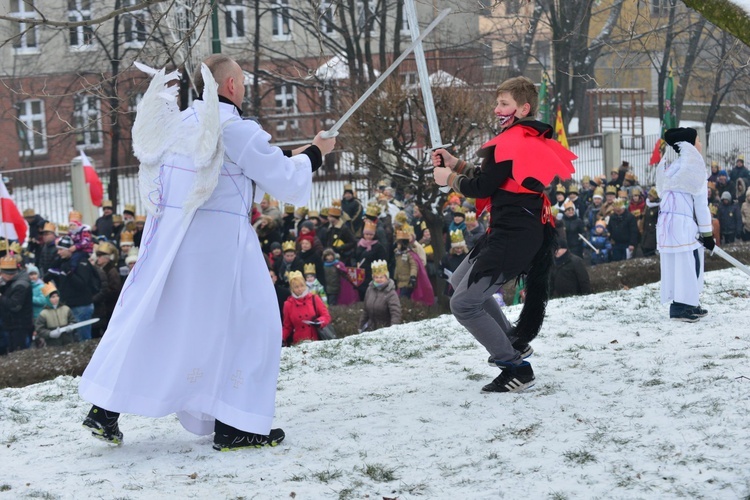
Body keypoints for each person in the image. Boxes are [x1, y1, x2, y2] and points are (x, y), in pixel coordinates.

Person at [78, 55, 336, 450]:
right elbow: (283, 180)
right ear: (230, 85)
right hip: (220, 250)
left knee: (157, 323)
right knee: (253, 325)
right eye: (242, 80)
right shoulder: (234, 127)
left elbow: (251, 169)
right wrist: (316, 153)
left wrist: (294, 155)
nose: (244, 86)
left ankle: (105, 408)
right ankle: (237, 424)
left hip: (170, 244)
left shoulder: (181, 123)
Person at [431, 76, 575, 393]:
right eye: (497, 103)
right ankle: (514, 342)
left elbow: (482, 186)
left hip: (515, 235)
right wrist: (456, 164)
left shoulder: (513, 140)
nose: (497, 109)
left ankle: (514, 366)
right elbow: (495, 178)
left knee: (463, 304)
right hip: (509, 229)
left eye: (504, 104)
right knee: (458, 285)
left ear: (523, 108)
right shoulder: (519, 137)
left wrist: (448, 178)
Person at [655, 127, 712, 322]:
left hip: (666, 224)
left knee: (677, 263)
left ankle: (685, 305)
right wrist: (707, 234)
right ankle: (684, 307)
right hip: (682, 224)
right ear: (690, 145)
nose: (701, 144)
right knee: (689, 263)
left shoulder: (674, 166)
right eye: (698, 140)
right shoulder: (695, 168)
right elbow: (701, 204)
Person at [44, 235, 101, 341]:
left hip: (82, 306)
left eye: (61, 249)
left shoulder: (81, 262)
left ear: (69, 249)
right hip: (70, 305)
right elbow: (51, 279)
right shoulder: (64, 262)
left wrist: (69, 273)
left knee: (83, 339)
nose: (58, 252)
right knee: (74, 339)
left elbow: (82, 284)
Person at [282, 271, 331, 346]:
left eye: (302, 286)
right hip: (299, 342)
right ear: (292, 289)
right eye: (296, 287)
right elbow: (287, 327)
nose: (300, 289)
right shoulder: (288, 304)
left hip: (315, 340)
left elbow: (326, 316)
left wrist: (319, 321)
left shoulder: (314, 298)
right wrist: (281, 338)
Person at [0, 254, 33, 353]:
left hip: (19, 325)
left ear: (8, 274)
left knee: (19, 351)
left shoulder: (20, 285)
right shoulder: (11, 282)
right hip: (10, 324)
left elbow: (15, 305)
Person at [359, 260, 402, 332]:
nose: (378, 279)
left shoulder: (391, 293)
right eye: (376, 277)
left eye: (381, 277)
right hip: (370, 328)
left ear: (386, 277)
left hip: (385, 329)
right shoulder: (370, 289)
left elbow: (395, 313)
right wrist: (361, 326)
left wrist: (393, 330)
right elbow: (365, 310)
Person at [34, 282, 78, 347]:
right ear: (48, 299)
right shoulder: (43, 313)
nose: (56, 299)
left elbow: (73, 321)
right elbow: (39, 329)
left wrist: (71, 327)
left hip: (68, 342)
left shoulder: (66, 309)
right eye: (53, 297)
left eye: (57, 296)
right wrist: (49, 334)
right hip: (52, 344)